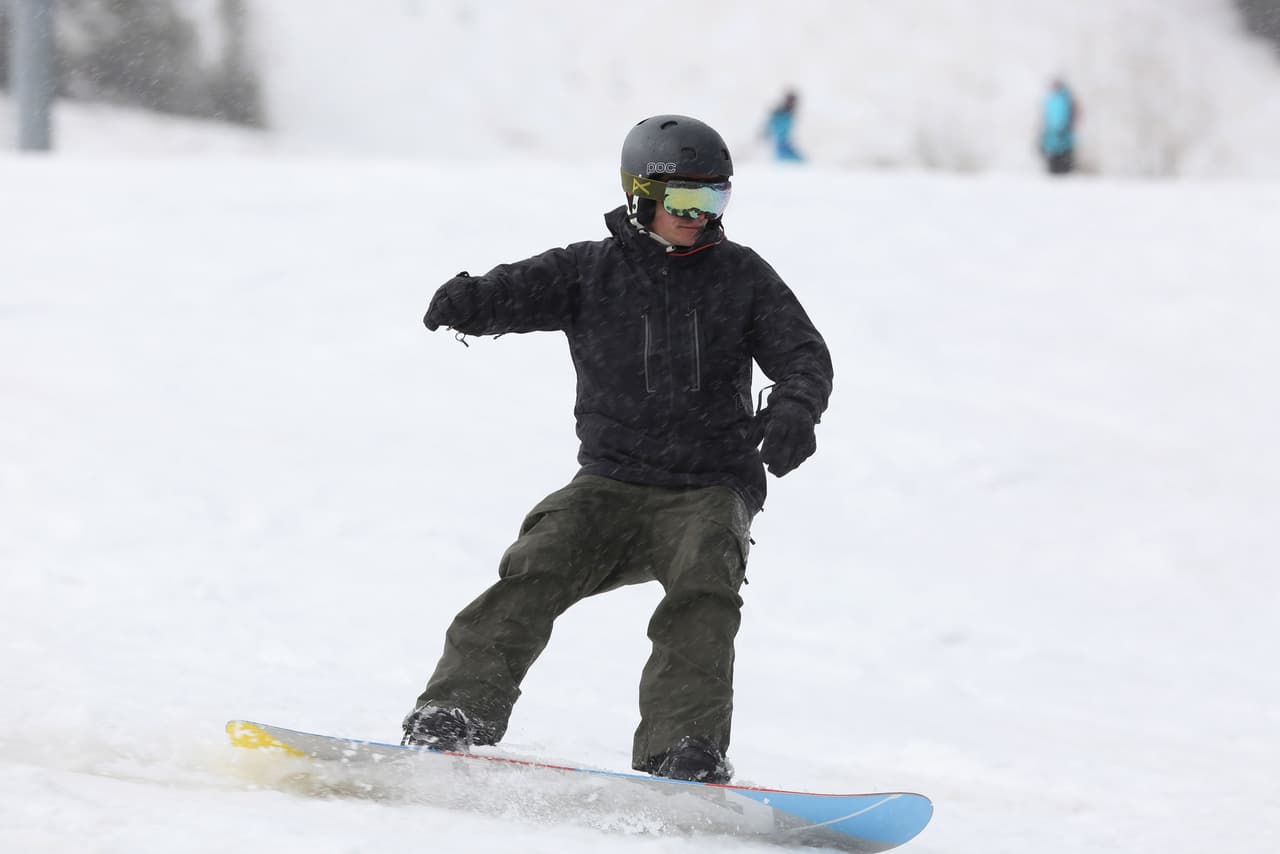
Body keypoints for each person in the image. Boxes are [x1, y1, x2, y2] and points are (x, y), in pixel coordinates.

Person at [403, 114, 833, 784]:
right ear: (641, 197)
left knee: (703, 587)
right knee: (536, 563)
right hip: (611, 480)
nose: (701, 216)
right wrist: (473, 301)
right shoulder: (589, 271)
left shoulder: (741, 275)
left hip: (708, 483)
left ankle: (683, 748)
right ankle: (452, 713)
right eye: (685, 201)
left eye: (715, 199)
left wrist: (795, 409)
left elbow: (803, 356)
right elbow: (518, 289)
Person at [1039, 78, 1080, 175]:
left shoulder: (1065, 99)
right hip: (1054, 137)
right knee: (1054, 161)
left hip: (1063, 136)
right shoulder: (1051, 99)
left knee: (1062, 162)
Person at [763, 90, 804, 162]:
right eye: (792, 101)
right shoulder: (780, 113)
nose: (794, 104)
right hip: (780, 144)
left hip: (784, 143)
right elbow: (770, 126)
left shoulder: (789, 113)